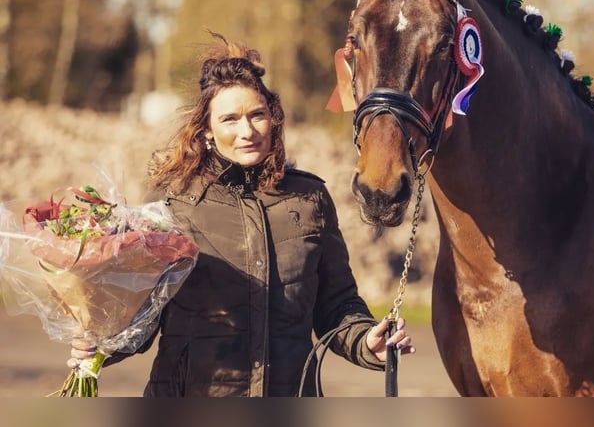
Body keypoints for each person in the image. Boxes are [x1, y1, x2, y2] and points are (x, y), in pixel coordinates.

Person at [69, 33, 414, 397]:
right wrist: (97, 345)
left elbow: (337, 303)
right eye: (230, 119)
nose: (247, 131)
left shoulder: (310, 197)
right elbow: (142, 317)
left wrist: (366, 340)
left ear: (273, 118)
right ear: (206, 131)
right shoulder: (172, 203)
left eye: (257, 115)